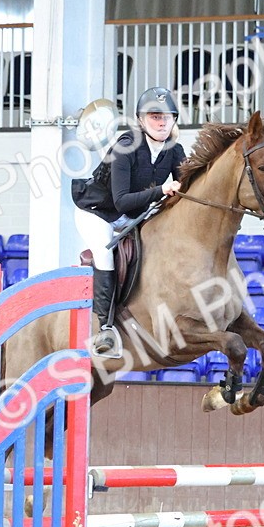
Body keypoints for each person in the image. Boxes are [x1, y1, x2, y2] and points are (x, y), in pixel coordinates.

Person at [76, 86, 186, 357]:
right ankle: (105, 328)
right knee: (105, 254)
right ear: (140, 120)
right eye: (154, 117)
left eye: (166, 117)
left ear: (174, 120)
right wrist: (162, 190)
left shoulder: (175, 150)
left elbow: (186, 188)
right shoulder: (125, 146)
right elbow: (122, 201)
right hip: (99, 212)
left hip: (134, 215)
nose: (161, 122)